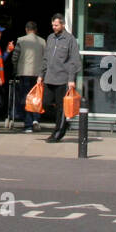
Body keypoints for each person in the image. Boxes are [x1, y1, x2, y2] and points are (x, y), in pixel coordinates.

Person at [40, 12, 78, 143]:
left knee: (61, 107)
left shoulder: (70, 39)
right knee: (45, 103)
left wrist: (71, 79)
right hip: (49, 78)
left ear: (62, 24)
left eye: (56, 25)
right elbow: (45, 58)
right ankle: (62, 122)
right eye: (53, 25)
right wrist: (41, 75)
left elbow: (74, 60)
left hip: (63, 78)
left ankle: (58, 132)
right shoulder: (50, 38)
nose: (54, 27)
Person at [13, 21, 45, 133]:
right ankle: (36, 119)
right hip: (38, 75)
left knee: (26, 98)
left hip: (24, 73)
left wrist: (15, 69)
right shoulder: (42, 42)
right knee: (36, 98)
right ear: (35, 30)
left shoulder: (21, 40)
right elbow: (46, 59)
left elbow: (15, 57)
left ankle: (28, 125)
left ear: (26, 29)